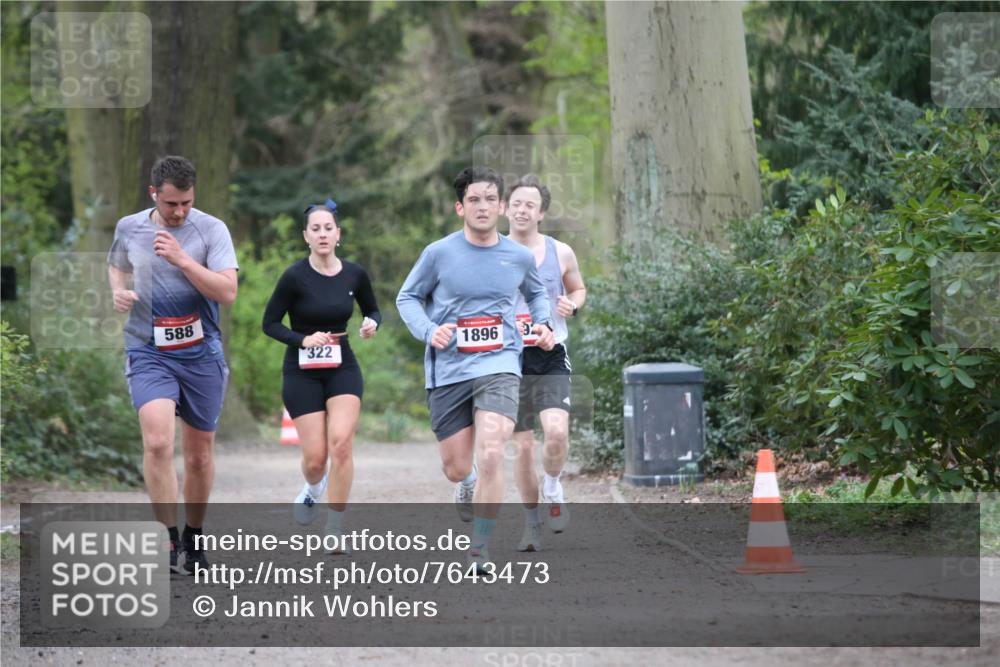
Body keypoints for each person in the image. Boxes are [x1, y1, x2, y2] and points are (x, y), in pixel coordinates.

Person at [397, 167, 555, 572]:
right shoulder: (438, 253)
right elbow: (407, 298)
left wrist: (543, 323)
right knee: (456, 467)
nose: (482, 207)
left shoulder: (518, 256)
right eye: (474, 200)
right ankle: (465, 485)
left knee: (491, 450)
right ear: (459, 207)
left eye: (489, 199)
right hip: (449, 368)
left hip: (500, 362)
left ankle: (479, 550)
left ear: (501, 207)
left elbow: (537, 294)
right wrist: (429, 331)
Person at [107, 155, 238, 575]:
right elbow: (116, 263)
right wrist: (119, 291)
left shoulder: (211, 230)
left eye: (186, 203)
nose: (179, 212)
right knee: (159, 443)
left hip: (201, 352)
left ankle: (194, 538)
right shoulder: (130, 227)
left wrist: (183, 260)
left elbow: (228, 291)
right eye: (170, 205)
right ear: (154, 196)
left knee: (198, 456)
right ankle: (166, 540)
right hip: (148, 349)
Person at [262, 199, 380, 552]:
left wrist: (372, 322)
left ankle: (336, 523)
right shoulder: (294, 276)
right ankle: (313, 487)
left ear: (338, 234)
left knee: (341, 444)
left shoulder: (354, 274)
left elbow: (371, 308)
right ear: (306, 236)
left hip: (342, 365)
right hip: (302, 371)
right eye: (316, 229)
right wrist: (302, 339)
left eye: (328, 228)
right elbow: (269, 323)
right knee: (316, 460)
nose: (323, 234)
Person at [505, 175, 587, 552]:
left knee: (555, 434)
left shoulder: (561, 251)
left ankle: (553, 483)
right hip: (507, 358)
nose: (522, 210)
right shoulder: (490, 252)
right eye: (516, 203)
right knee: (522, 447)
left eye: (530, 205)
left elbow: (578, 288)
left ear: (541, 213)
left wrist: (572, 303)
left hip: (550, 354)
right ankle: (531, 523)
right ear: (505, 208)